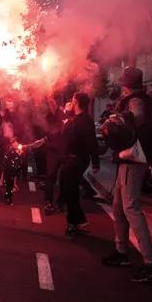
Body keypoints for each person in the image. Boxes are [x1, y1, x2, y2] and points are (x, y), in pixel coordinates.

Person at [101, 67, 152, 282]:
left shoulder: (136, 101)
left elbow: (135, 119)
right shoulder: (144, 97)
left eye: (122, 83)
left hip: (133, 159)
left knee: (131, 208)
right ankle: (121, 252)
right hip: (127, 158)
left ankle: (151, 264)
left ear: (126, 84)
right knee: (119, 207)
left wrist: (117, 121)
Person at [61, 93, 99, 237]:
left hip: (77, 159)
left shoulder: (84, 120)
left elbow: (92, 141)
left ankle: (76, 222)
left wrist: (95, 161)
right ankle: (77, 221)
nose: (70, 102)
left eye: (72, 100)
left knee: (70, 190)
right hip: (70, 158)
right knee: (68, 189)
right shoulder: (75, 119)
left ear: (76, 102)